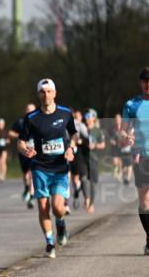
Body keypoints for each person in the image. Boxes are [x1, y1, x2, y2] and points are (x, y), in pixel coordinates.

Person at [18, 78, 77, 259]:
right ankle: (50, 243)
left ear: (55, 93)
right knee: (43, 207)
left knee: (58, 207)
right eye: (42, 92)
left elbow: (73, 133)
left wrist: (71, 148)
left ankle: (60, 223)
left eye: (49, 91)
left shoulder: (66, 113)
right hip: (40, 167)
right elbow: (20, 141)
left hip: (59, 167)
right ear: (38, 95)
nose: (46, 95)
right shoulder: (32, 118)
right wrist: (25, 149)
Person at [120, 66, 149, 256]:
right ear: (140, 84)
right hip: (141, 154)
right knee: (145, 201)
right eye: (145, 81)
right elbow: (123, 131)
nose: (148, 84)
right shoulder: (131, 105)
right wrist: (127, 137)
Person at [9, 103, 37, 208]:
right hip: (23, 151)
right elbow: (10, 133)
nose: (30, 111)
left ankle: (32, 195)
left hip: (34, 151)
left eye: (32, 110)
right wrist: (19, 136)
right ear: (25, 111)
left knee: (32, 172)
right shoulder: (20, 122)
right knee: (26, 174)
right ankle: (26, 188)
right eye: (28, 109)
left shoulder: (39, 121)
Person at [83, 109, 106, 213]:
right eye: (86, 117)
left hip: (94, 159)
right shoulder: (82, 130)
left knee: (93, 183)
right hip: (82, 158)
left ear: (93, 118)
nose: (87, 119)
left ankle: (91, 204)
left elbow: (103, 145)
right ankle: (86, 199)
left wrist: (95, 145)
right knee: (83, 179)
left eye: (89, 117)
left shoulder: (98, 131)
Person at [70, 110, 90, 209]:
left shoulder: (81, 125)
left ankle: (87, 199)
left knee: (83, 178)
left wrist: (81, 141)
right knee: (74, 179)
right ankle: (77, 194)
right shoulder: (64, 124)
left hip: (80, 154)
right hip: (69, 154)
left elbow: (87, 140)